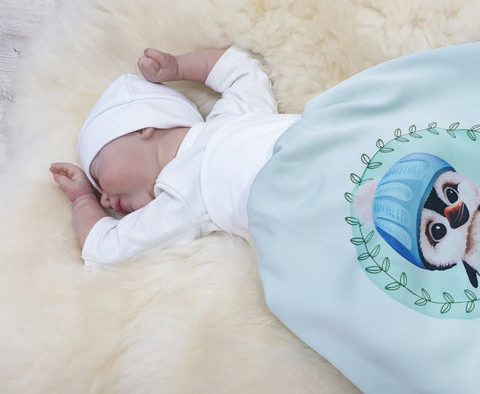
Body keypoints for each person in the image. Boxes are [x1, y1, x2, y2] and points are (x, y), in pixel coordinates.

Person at [50, 46, 300, 263]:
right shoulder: (178, 198)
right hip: (304, 208)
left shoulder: (231, 117)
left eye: (97, 173)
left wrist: (178, 67)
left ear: (141, 128)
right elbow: (104, 248)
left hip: (311, 143)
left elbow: (240, 70)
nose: (104, 200)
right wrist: (83, 198)